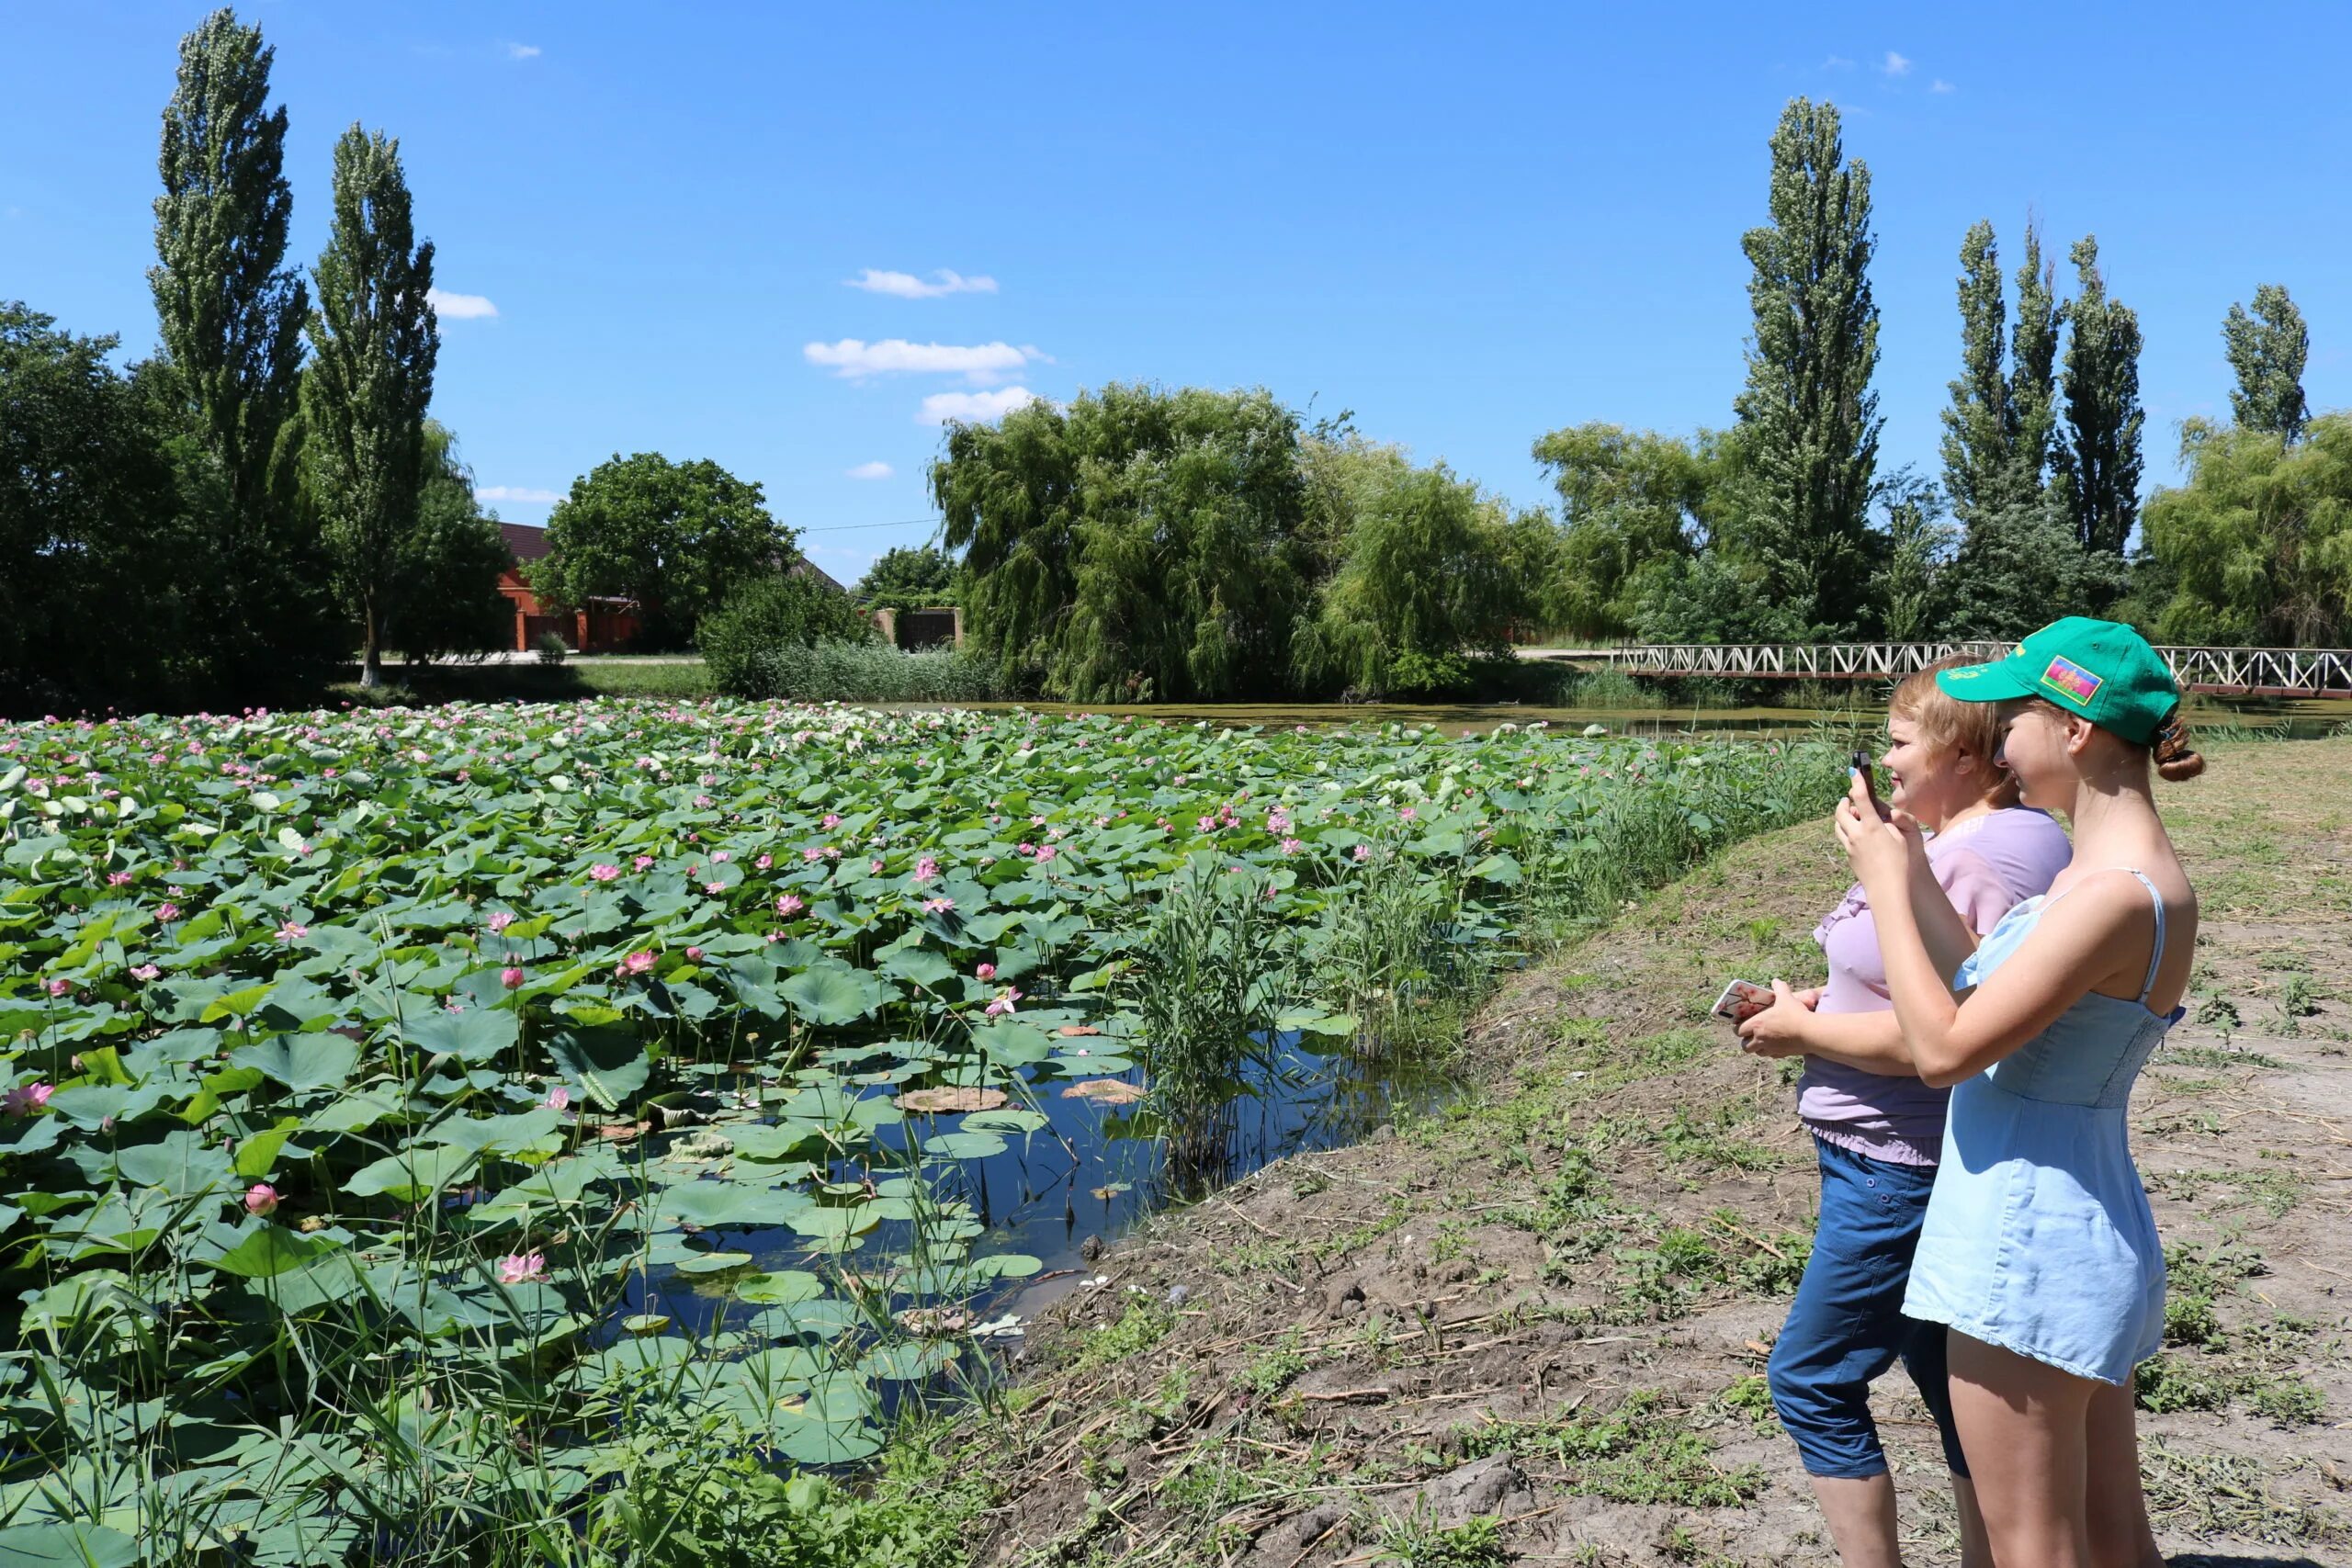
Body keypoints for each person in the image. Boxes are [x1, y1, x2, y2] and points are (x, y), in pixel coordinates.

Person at [1834, 617, 2201, 1568]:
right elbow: (1993, 998)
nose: (1998, 732)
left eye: (2018, 713)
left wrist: (1880, 889)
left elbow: (1946, 1050)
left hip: (2023, 1240)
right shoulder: (2117, 878)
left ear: (2074, 731)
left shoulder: (2107, 894)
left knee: (2031, 1545)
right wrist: (1913, 873)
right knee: (2115, 1539)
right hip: (2077, 1222)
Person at [1738, 656, 2069, 1568]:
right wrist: (1819, 1004)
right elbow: (1926, 981)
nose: (1884, 763)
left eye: (1895, 742)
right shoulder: (1975, 840)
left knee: (1809, 1377)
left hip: (1898, 1163)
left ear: (1960, 750)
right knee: (1943, 1374)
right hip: (1897, 1154)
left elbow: (1960, 1033)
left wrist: (1806, 1036)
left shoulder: (1981, 853)